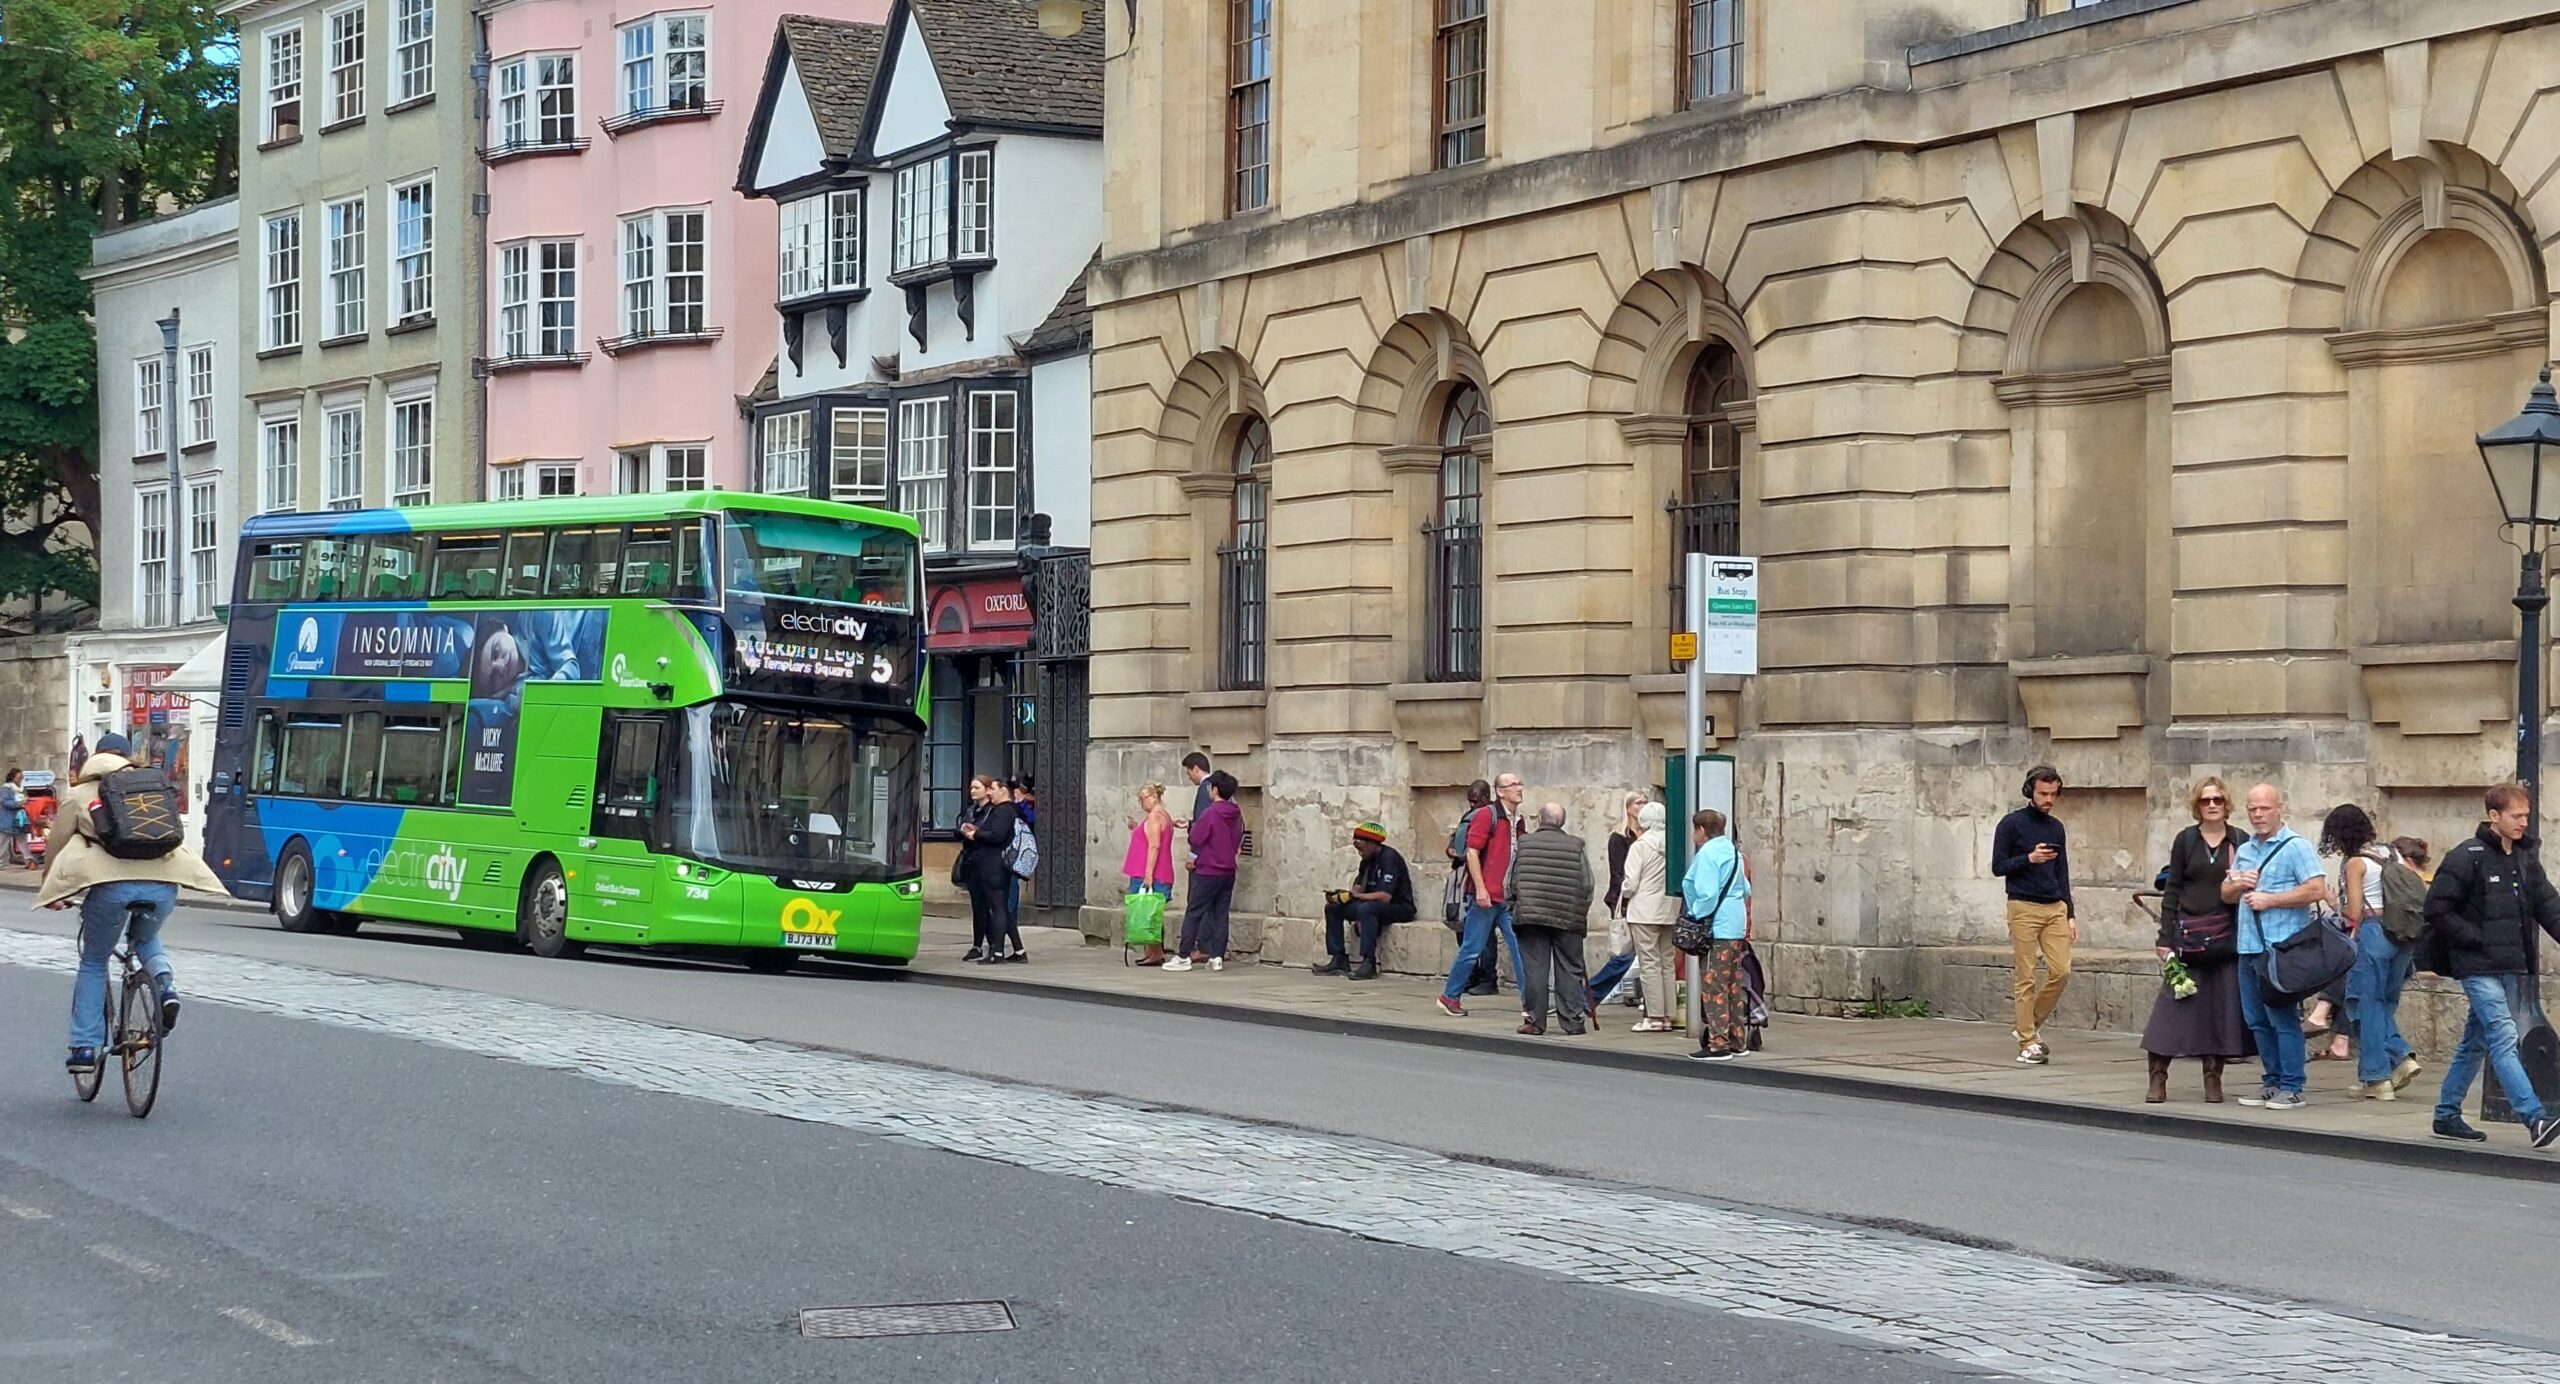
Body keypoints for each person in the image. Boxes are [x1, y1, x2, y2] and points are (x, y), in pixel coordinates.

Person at [39, 733, 228, 1076]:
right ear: (128, 758)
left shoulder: (81, 794)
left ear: (95, 758)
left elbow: (57, 844)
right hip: (164, 884)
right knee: (145, 938)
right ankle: (165, 987)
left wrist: (52, 887)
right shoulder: (151, 787)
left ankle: (84, 1047)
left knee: (95, 961)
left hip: (111, 887)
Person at [2421, 783, 2560, 1148]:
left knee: (2475, 1041)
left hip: (2511, 965)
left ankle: (2446, 1114)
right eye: (2516, 816)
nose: (2523, 823)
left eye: (2526, 816)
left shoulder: (2525, 859)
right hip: (2477, 966)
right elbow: (2436, 908)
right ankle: (2534, 1117)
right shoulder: (2467, 856)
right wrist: (2473, 938)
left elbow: (2550, 907)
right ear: (2493, 816)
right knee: (2503, 1036)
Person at [2139, 776, 2252, 1103]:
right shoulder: (2186, 840)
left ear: (2226, 804)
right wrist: (2165, 937)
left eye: (2217, 800)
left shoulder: (2239, 840)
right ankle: (2158, 1077)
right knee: (2171, 1012)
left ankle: (2213, 1079)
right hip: (2187, 938)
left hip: (2225, 940)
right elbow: (2172, 889)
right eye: (2206, 801)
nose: (2212, 805)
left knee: (2220, 1013)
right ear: (2197, 806)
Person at [2223, 783, 2331, 1111]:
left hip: (2280, 949)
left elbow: (2316, 888)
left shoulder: (2295, 846)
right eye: (2252, 809)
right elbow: (2226, 895)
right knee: (2256, 1019)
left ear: (2278, 808)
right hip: (2248, 946)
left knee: (2282, 1017)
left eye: (2264, 808)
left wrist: (2270, 899)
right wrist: (2236, 885)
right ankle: (2271, 1081)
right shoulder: (2245, 849)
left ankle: (2292, 1085)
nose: (2258, 815)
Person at [2321, 802, 2421, 1101]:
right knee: (2383, 1004)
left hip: (2373, 932)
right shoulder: (2392, 852)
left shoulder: (2356, 863)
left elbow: (2353, 912)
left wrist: (2330, 900)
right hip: (2402, 936)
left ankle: (2388, 1067)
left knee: (2364, 1005)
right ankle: (2375, 1077)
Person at [1991, 766, 2076, 1065]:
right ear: (2030, 791)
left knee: (2061, 970)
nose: (2048, 799)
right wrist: (2029, 858)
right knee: (2025, 975)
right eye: (2043, 793)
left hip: (2055, 906)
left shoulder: (2056, 828)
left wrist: (2070, 913)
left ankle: (2027, 1024)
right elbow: (1998, 866)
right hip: (2023, 905)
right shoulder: (2011, 824)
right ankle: (2027, 1041)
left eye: (2053, 794)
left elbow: (2062, 871)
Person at [1437, 772, 1527, 1018]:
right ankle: (1450, 996)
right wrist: (1480, 889)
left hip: (1506, 898)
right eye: (1513, 785)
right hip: (1485, 897)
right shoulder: (1488, 816)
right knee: (1472, 949)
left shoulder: (1518, 820)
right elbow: (1472, 853)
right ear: (1500, 791)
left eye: (1520, 783)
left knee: (1520, 948)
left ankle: (1531, 1002)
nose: (1519, 788)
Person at [1507, 804, 1594, 1036]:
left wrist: (1514, 905)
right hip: (1567, 917)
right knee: (1569, 968)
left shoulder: (1524, 844)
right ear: (1562, 822)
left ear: (1539, 820)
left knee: (1535, 969)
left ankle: (1535, 1021)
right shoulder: (1577, 845)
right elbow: (1587, 885)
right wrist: (1580, 911)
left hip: (1531, 916)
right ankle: (1572, 1021)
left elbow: (1511, 881)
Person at [1682, 809, 1754, 1061]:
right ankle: (1737, 1040)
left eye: (1694, 830)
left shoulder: (1708, 854)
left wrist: (1695, 914)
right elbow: (1746, 889)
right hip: (1736, 926)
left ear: (1701, 830)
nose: (1693, 835)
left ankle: (1718, 1044)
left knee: (1713, 986)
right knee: (1733, 984)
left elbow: (1707, 893)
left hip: (1717, 927)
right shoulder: (1734, 853)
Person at [1314, 822, 1415, 979]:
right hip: (1369, 904)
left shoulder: (1390, 859)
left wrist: (1358, 898)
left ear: (1372, 844)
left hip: (1398, 907)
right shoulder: (1366, 861)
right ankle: (1338, 958)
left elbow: (1385, 897)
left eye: (1361, 848)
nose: (1359, 853)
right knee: (1333, 908)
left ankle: (1369, 962)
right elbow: (1359, 886)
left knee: (1366, 909)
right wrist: (1346, 896)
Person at [1169, 770, 1243, 972]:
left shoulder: (1211, 812)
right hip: (1228, 870)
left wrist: (1191, 828)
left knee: (1194, 912)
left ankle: (1184, 955)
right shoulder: (1236, 813)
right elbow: (1237, 838)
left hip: (1209, 869)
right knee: (1221, 914)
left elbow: (1197, 838)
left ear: (1215, 789)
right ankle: (1217, 956)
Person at [1620, 801, 1681, 1033]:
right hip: (1669, 908)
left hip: (1644, 909)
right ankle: (1668, 1014)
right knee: (1667, 962)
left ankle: (1654, 1015)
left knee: (1649, 963)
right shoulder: (1674, 844)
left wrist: (1624, 893)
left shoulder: (1641, 845)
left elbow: (1630, 882)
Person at [1588, 791, 1648, 1010]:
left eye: (1645, 802)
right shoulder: (1619, 837)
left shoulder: (1650, 836)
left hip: (1647, 900)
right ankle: (1590, 994)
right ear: (1629, 807)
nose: (1642, 806)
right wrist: (1621, 902)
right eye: (1638, 803)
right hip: (1625, 899)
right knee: (1624, 954)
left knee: (1645, 956)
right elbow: (1618, 873)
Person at [956, 775, 1020, 964]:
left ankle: (997, 952)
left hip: (995, 866)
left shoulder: (1002, 811)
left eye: (991, 788)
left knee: (998, 908)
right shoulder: (984, 810)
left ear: (1003, 790)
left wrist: (976, 833)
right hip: (985, 865)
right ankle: (1016, 950)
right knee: (996, 908)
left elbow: (997, 836)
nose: (990, 792)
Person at [1124, 783, 1176, 966]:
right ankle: (1152, 951)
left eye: (1142, 799)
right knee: (1152, 913)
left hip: (1151, 872)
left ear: (1153, 797)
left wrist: (1148, 874)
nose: (1141, 804)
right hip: (1159, 871)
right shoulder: (1163, 815)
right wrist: (1136, 828)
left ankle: (1155, 952)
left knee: (1149, 914)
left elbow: (1154, 845)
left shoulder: (1154, 816)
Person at [0, 768, 25, 867]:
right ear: (13, 778)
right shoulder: (6, 789)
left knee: (22, 840)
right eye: (19, 777)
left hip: (18, 819)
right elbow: (5, 802)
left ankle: (28, 859)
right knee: (3, 842)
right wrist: (18, 804)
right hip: (8, 819)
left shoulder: (21, 789)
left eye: (21, 778)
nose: (20, 779)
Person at [1180, 751, 1213, 825]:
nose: (1189, 778)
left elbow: (1202, 819)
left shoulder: (1205, 788)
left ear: (1195, 769)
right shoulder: (1216, 783)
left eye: (1189, 773)